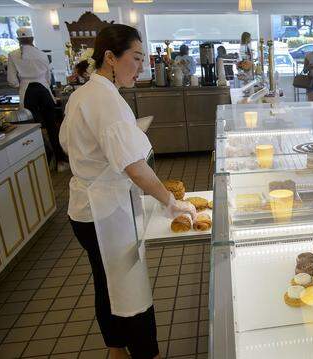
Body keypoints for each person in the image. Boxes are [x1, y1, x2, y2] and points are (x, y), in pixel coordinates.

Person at [59, 24, 197, 359]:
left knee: (106, 283)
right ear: (110, 57)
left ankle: (116, 350)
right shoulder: (107, 100)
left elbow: (70, 143)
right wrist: (171, 201)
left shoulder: (83, 94)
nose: (141, 67)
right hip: (105, 212)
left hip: (84, 209)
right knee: (128, 289)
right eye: (135, 58)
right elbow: (135, 169)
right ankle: (147, 354)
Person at [7, 27, 67, 169]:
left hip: (27, 92)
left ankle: (42, 160)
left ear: (18, 40)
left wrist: (19, 84)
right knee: (52, 127)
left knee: (34, 128)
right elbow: (47, 77)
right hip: (44, 91)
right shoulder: (41, 54)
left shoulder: (13, 55)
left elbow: (11, 80)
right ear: (32, 39)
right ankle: (60, 161)